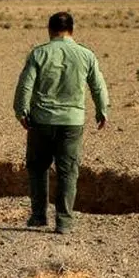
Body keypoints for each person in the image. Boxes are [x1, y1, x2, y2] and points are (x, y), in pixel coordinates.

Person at [14, 12, 109, 235]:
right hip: (72, 122)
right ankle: (64, 222)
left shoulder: (39, 53)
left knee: (38, 168)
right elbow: (98, 85)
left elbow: (25, 85)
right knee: (68, 171)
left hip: (41, 121)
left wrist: (21, 111)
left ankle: (38, 217)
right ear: (72, 30)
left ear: (50, 30)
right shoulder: (86, 55)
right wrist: (102, 111)